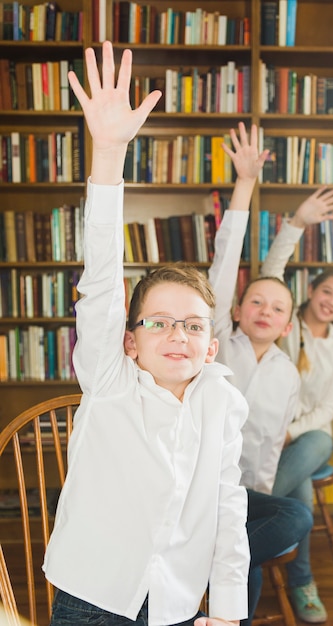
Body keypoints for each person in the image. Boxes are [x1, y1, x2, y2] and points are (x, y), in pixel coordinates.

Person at [43, 41, 251, 626]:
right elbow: (104, 281)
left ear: (211, 345)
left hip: (174, 603)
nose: (176, 334)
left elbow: (229, 507)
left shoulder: (222, 401)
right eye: (157, 322)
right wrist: (108, 155)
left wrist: (229, 607)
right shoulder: (111, 381)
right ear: (130, 340)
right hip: (93, 594)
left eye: (191, 325)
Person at [209, 122, 314, 626]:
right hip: (202, 486)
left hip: (243, 497)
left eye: (277, 307)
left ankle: (230, 607)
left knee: (285, 520)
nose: (265, 310)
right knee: (244, 541)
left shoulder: (287, 374)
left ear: (288, 324)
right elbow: (225, 265)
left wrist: (257, 505)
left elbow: (270, 447)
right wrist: (245, 184)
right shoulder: (212, 344)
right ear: (236, 309)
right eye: (256, 301)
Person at [261, 188, 333, 624]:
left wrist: (290, 434)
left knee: (318, 438)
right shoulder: (284, 323)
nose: (331, 302)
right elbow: (271, 272)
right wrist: (298, 221)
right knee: (300, 492)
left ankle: (249, 508)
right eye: (327, 292)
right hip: (265, 436)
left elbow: (327, 409)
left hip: (301, 439)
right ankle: (302, 582)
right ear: (312, 289)